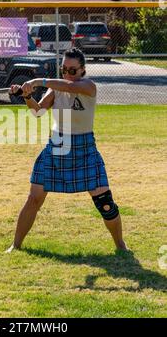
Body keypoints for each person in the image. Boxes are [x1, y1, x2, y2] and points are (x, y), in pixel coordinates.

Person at [7, 48, 127, 253]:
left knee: (105, 203)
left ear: (83, 70)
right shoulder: (55, 89)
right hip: (57, 145)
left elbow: (70, 86)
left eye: (73, 70)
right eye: (64, 70)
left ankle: (121, 246)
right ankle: (15, 245)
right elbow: (38, 111)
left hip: (84, 148)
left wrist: (37, 82)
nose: (68, 74)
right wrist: (26, 95)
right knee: (34, 198)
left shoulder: (89, 86)